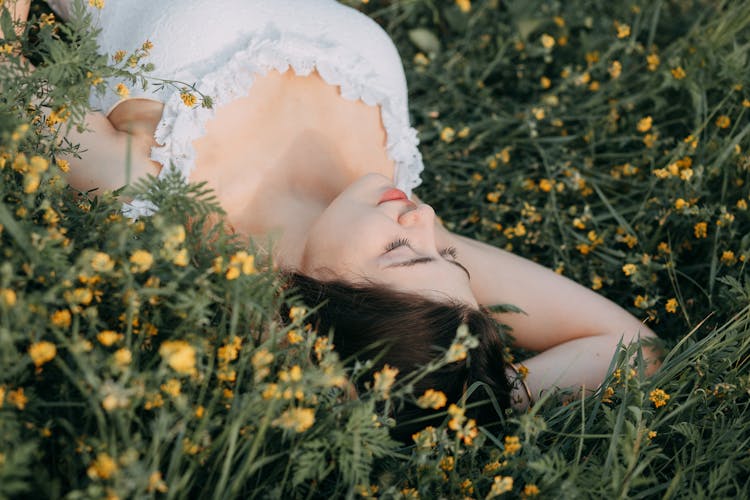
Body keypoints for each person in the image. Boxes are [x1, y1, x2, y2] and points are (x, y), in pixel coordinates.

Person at [4, 0, 659, 435]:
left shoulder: (151, 190)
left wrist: (400, 411)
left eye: (403, 255)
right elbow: (637, 351)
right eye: (449, 258)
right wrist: (476, 398)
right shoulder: (392, 218)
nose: (428, 221)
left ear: (311, 309)